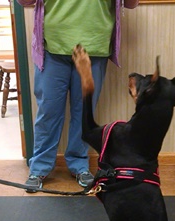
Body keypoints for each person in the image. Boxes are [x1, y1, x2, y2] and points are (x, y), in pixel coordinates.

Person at [16, 0, 139, 191]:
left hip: (94, 43)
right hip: (53, 45)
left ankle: (79, 164)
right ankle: (39, 167)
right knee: (48, 111)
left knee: (83, 112)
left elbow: (130, 3)